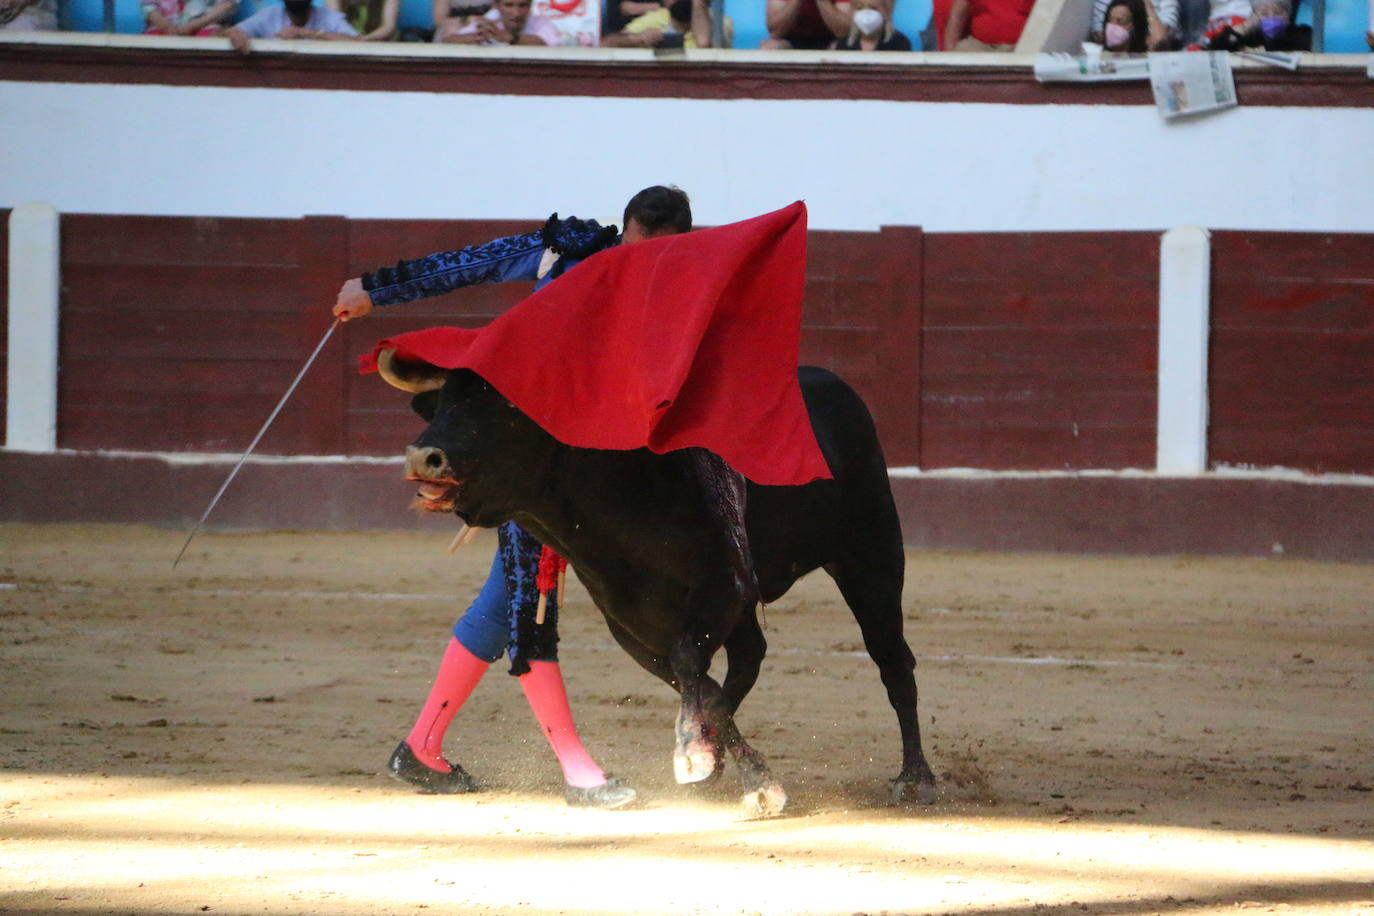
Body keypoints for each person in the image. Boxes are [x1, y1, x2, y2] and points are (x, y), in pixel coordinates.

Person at [332, 186, 695, 810]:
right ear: (625, 230)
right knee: (529, 598)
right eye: (637, 249)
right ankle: (578, 771)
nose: (642, 264)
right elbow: (466, 264)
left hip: (603, 470)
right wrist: (373, 287)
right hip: (527, 462)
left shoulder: (685, 285)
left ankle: (421, 746)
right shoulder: (569, 250)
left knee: (506, 599)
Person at [225, 0, 358, 50]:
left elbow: (359, 42)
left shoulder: (329, 17)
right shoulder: (269, 15)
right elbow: (231, 32)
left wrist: (307, 33)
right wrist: (236, 34)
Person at [601, 0, 732, 47]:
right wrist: (636, 39)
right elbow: (607, 42)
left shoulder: (720, 22)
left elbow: (703, 42)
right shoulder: (657, 18)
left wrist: (697, 3)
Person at [444, 0, 559, 44]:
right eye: (509, 5)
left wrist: (508, 37)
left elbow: (543, 43)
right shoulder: (490, 21)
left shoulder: (542, 23)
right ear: (497, 6)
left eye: (523, 5)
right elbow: (449, 42)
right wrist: (477, 37)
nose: (516, 13)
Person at [942, 0, 1033, 50]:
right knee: (961, 52)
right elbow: (958, 13)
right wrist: (950, 50)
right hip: (980, 46)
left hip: (1019, 48)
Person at [760, 0, 851, 49]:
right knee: (769, 47)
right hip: (791, 39)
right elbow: (775, 31)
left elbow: (843, 32)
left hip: (829, 39)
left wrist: (822, 2)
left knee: (846, 48)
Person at [833, 0, 911, 49]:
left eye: (873, 8)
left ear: (886, 12)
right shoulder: (843, 45)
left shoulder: (899, 44)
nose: (866, 13)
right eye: (859, 8)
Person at [143, 0, 236, 34]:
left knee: (215, 40)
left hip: (206, 24)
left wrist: (193, 25)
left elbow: (226, 6)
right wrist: (166, 26)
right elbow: (148, 7)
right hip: (163, 26)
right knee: (149, 41)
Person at [324, 0, 399, 39]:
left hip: (379, 42)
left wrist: (365, 39)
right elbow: (335, 22)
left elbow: (388, 26)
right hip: (340, 41)